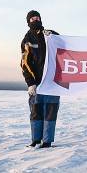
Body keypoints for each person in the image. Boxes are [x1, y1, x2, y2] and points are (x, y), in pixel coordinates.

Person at [20, 10, 60, 148]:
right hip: (36, 83)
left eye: (37, 18)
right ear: (28, 22)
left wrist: (54, 36)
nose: (35, 20)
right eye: (32, 19)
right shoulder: (27, 40)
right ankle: (36, 139)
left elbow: (65, 47)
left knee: (50, 111)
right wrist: (30, 83)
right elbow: (25, 63)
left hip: (53, 82)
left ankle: (47, 141)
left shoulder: (50, 35)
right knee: (36, 111)